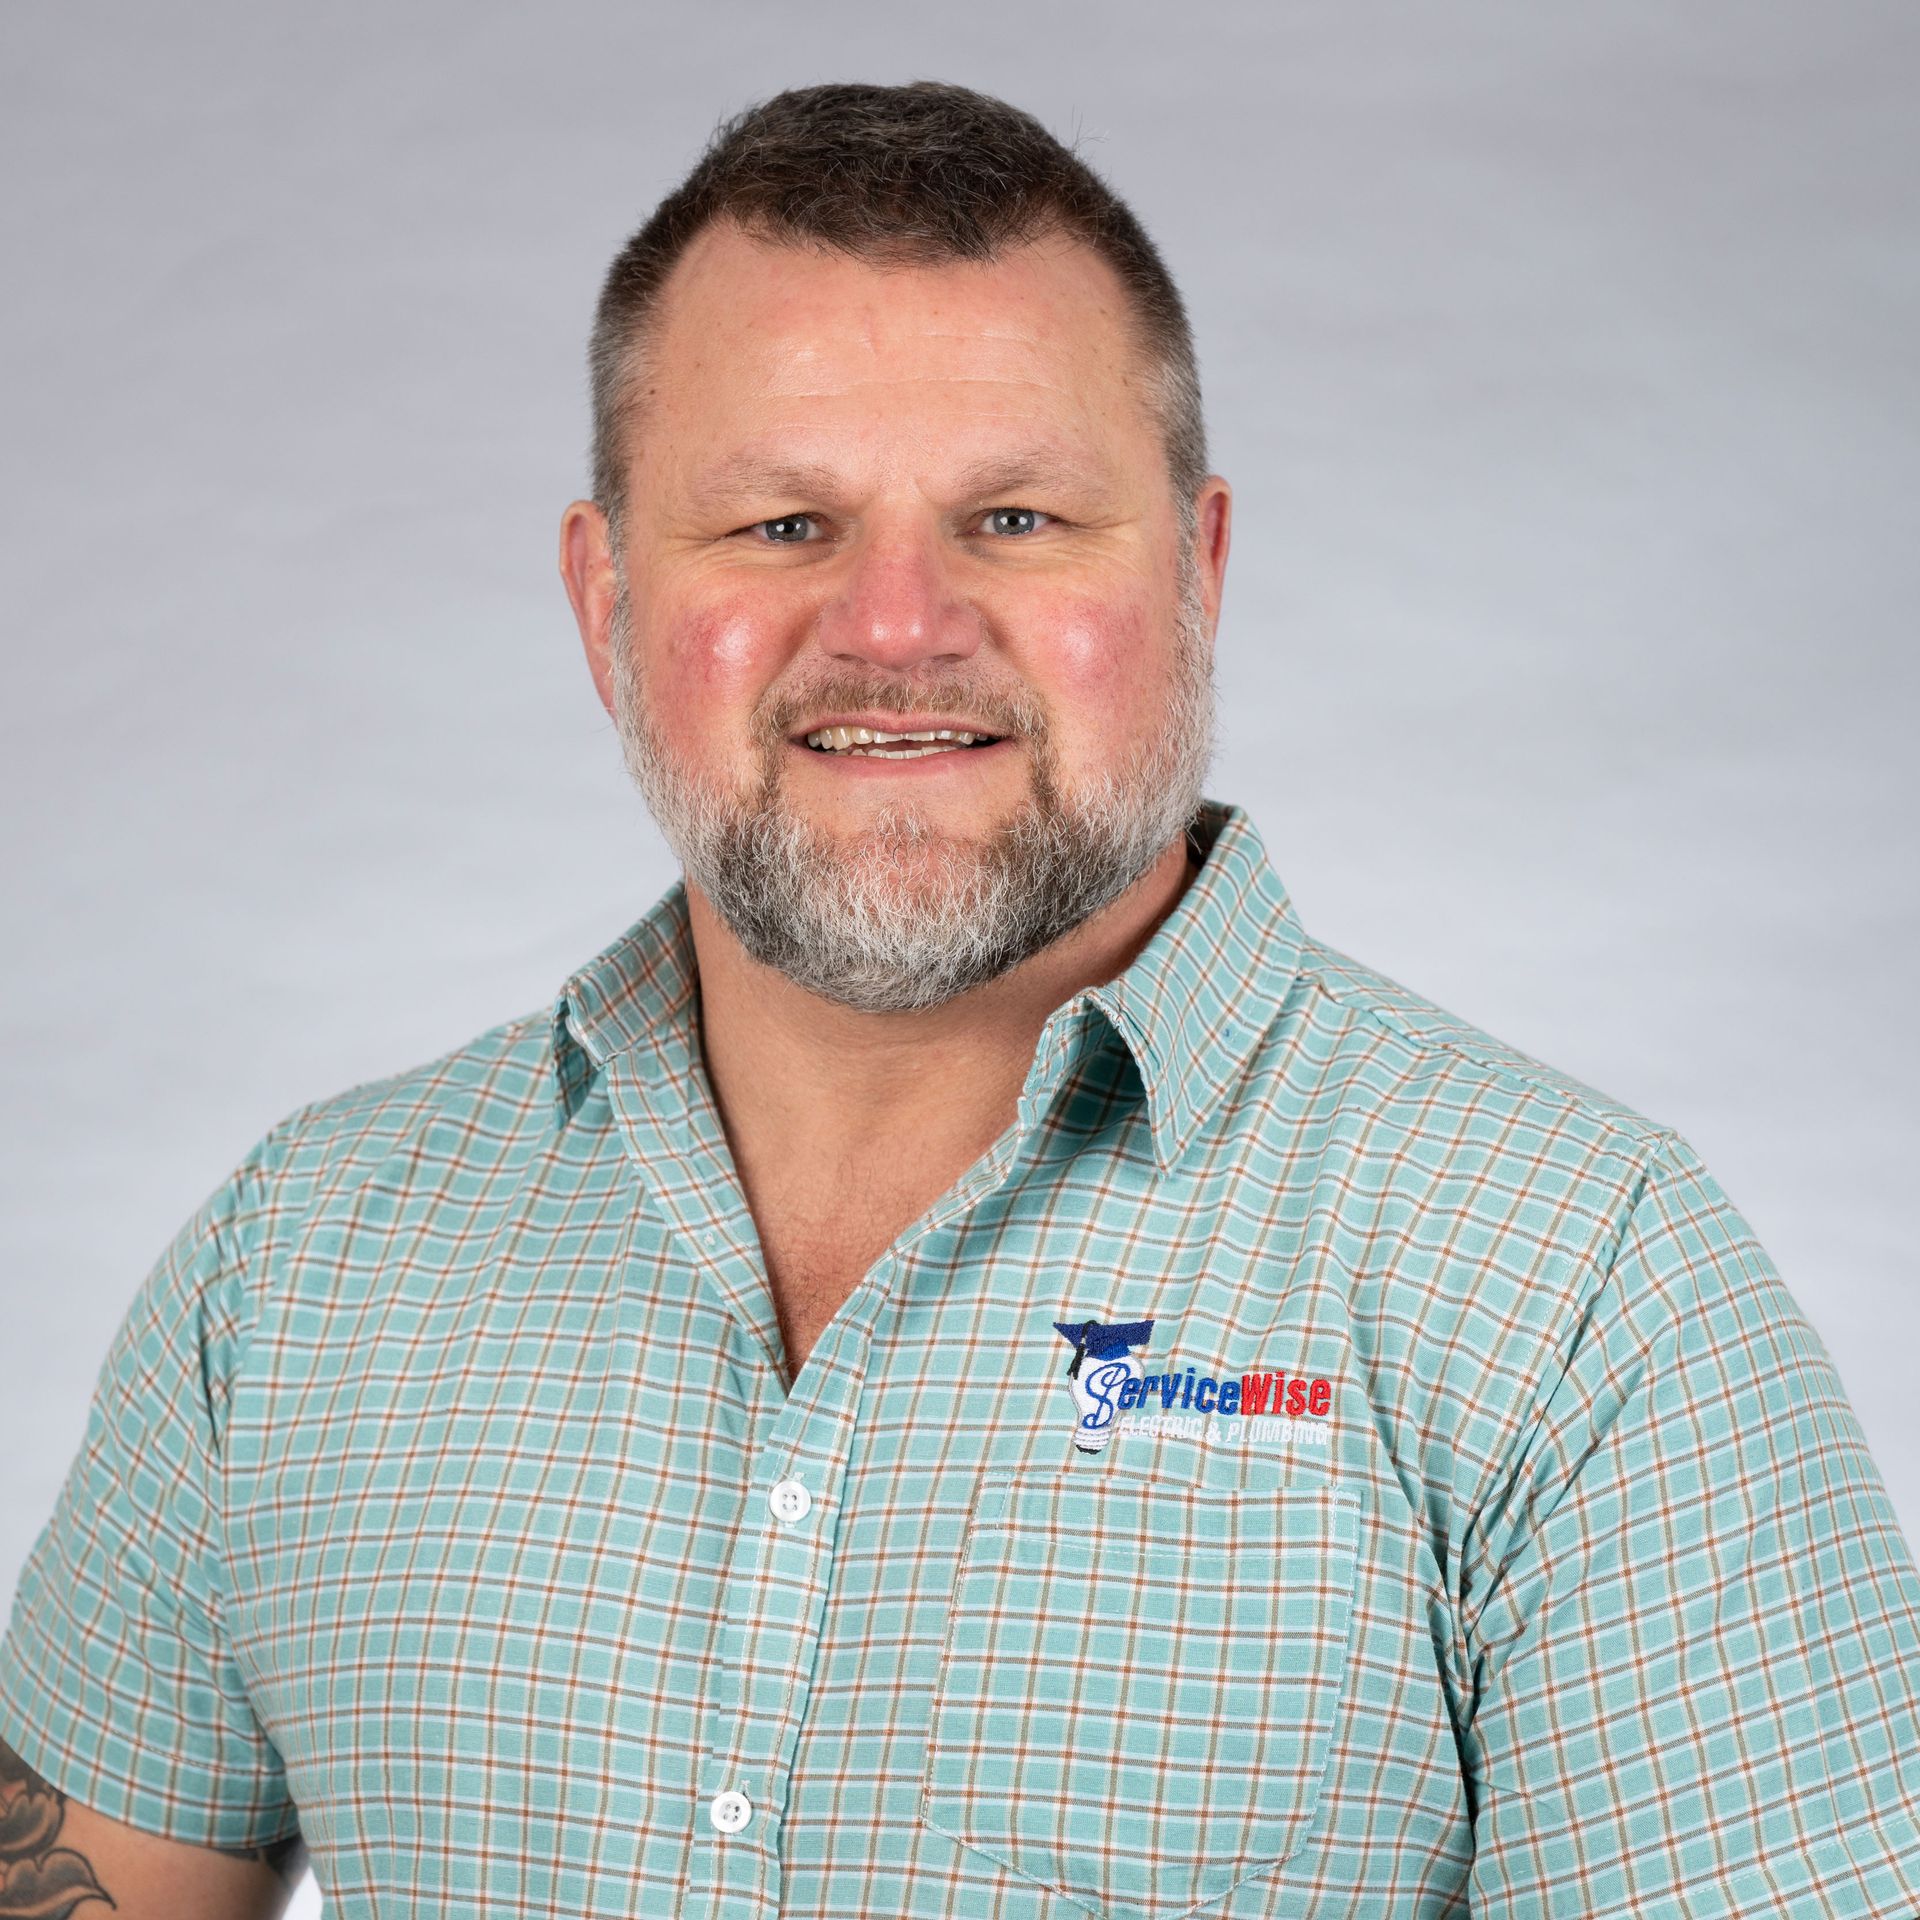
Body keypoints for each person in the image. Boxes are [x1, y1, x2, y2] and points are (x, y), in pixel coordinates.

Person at [2, 78, 1916, 1920]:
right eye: (782, 524)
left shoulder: (1575, 1293)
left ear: (1199, 572)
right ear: (605, 605)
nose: (898, 627)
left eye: (1016, 518)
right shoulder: (297, 1273)